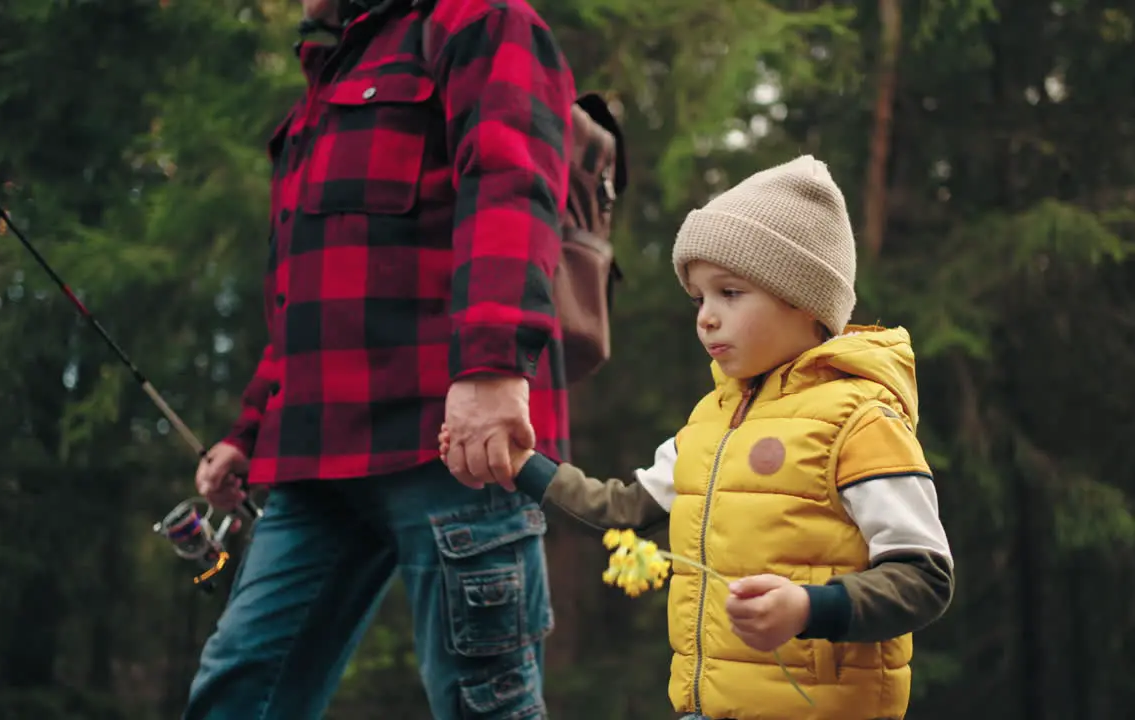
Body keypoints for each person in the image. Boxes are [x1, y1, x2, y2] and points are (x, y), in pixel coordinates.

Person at [442, 155, 956, 720]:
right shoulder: (709, 422)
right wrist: (523, 466)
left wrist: (811, 607)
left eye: (729, 293)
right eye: (699, 298)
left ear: (804, 298)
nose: (706, 318)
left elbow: (924, 576)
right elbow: (623, 510)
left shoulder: (862, 420)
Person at [185, 0, 575, 718]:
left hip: (456, 446)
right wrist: (248, 431)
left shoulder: (478, 18)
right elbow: (306, 292)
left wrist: (491, 368)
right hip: (313, 459)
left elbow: (510, 185)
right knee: (238, 687)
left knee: (481, 705)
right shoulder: (331, 76)